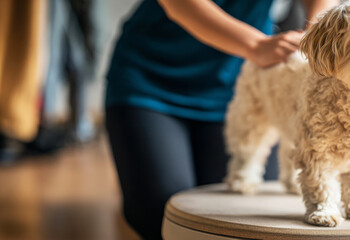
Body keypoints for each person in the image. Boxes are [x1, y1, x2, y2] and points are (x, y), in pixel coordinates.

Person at [104, 0, 338, 239]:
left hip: (246, 81)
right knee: (159, 213)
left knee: (250, 215)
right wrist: (256, 45)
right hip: (151, 80)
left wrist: (317, 30)